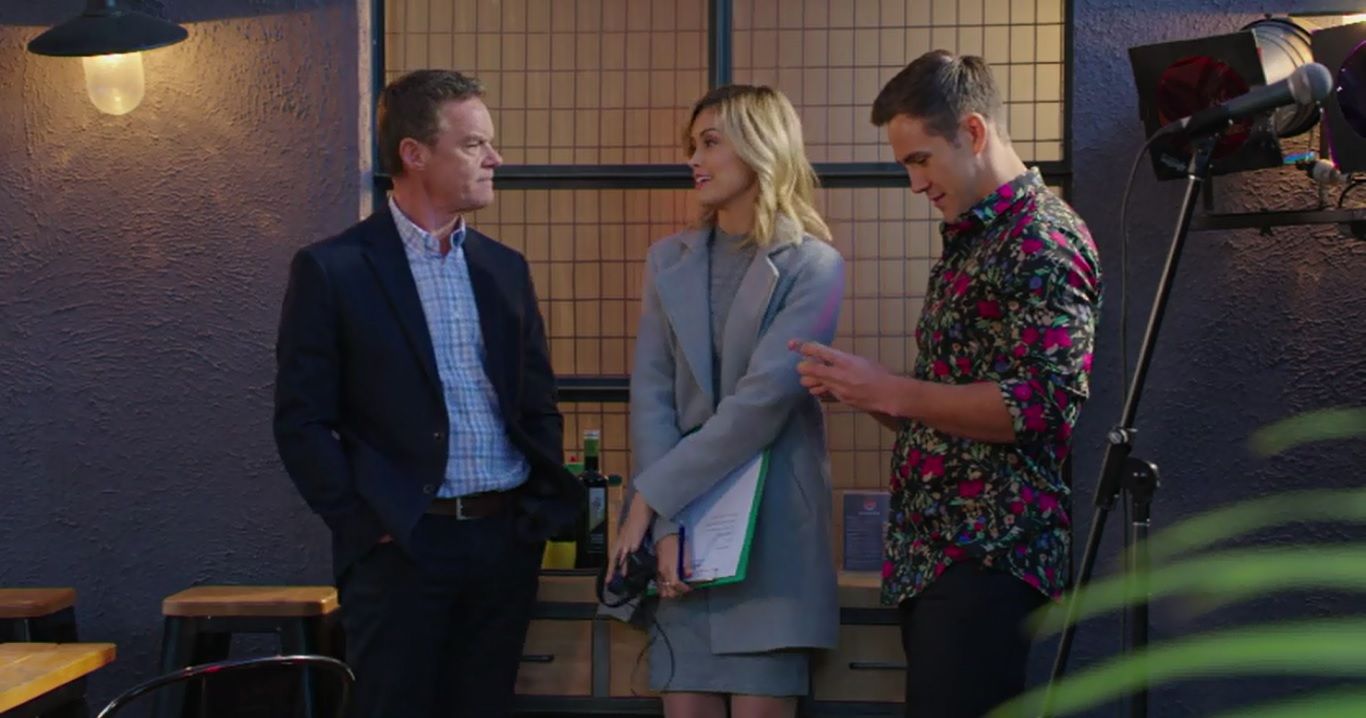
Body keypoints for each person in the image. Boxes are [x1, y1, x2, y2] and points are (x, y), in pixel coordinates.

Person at [794, 50, 1102, 718]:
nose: (914, 183)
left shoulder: (1041, 239)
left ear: (973, 131)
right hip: (939, 553)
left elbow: (1043, 406)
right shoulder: (975, 238)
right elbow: (952, 410)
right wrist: (864, 390)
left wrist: (892, 391)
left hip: (989, 554)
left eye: (920, 159)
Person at [273, 69, 581, 718]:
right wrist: (366, 526)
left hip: (503, 542)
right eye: (473, 144)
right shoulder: (334, 269)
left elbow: (536, 402)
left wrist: (531, 519)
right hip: (403, 548)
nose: (495, 159)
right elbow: (302, 420)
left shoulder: (504, 269)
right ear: (413, 154)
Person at [607, 84, 845, 718]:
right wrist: (664, 523)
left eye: (710, 142)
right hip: (679, 544)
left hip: (770, 543)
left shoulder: (816, 266)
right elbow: (651, 394)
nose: (694, 159)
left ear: (760, 147)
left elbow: (761, 405)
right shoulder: (666, 260)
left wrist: (652, 497)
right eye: (693, 144)